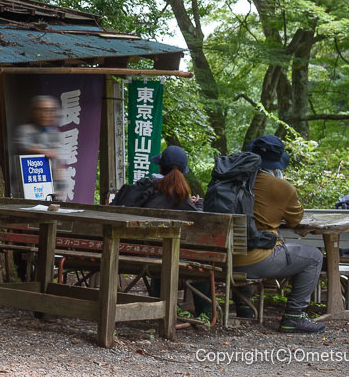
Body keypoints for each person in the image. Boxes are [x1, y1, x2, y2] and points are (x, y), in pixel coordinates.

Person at [232, 134, 326, 333]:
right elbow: (295, 220)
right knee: (314, 256)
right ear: (276, 165)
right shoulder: (282, 187)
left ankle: (244, 309)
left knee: (242, 244)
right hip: (255, 260)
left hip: (222, 257)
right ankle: (294, 317)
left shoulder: (228, 179)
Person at [114, 145, 211, 317]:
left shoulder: (142, 189)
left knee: (159, 250)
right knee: (198, 260)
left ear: (160, 166)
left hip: (131, 253)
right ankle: (205, 314)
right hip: (167, 256)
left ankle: (158, 301)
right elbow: (200, 225)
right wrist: (198, 205)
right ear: (182, 171)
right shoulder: (181, 197)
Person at [12, 95, 69, 201]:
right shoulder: (25, 130)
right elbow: (22, 147)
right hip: (29, 185)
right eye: (42, 110)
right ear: (34, 112)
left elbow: (58, 162)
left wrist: (60, 187)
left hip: (53, 187)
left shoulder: (56, 133)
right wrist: (44, 152)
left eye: (51, 110)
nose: (46, 114)